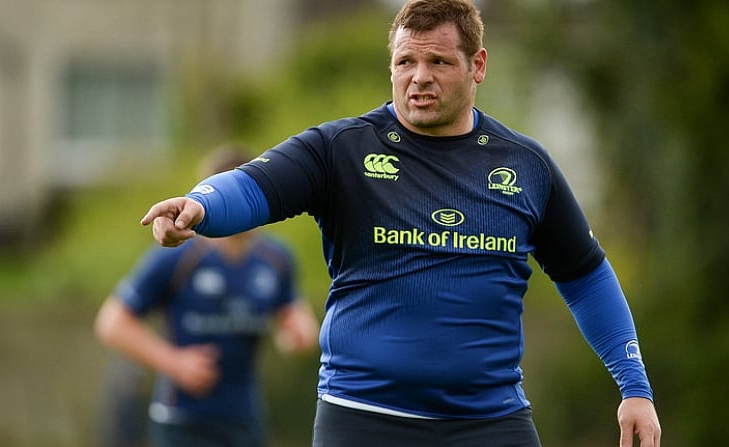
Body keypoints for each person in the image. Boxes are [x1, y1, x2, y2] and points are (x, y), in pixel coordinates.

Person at [138, 1, 661, 446]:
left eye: (438, 61)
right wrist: (200, 207)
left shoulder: (526, 166)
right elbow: (254, 185)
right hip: (364, 418)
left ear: (477, 65)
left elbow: (586, 276)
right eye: (405, 61)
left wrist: (634, 386)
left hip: (490, 421)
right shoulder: (341, 150)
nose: (419, 77)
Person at [95, 145, 320, 447]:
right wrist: (174, 363)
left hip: (245, 417)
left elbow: (294, 319)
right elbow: (111, 323)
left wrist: (300, 335)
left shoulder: (276, 258)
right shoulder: (177, 258)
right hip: (183, 419)